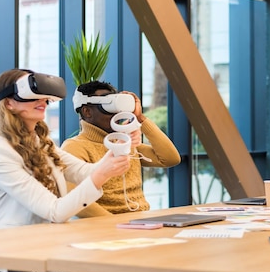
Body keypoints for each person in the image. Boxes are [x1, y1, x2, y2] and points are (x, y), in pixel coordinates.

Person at [0, 69, 130, 272]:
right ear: (9, 104)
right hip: (15, 262)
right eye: (34, 96)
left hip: (48, 250)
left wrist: (120, 144)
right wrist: (101, 174)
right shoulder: (0, 153)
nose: (43, 101)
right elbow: (55, 211)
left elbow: (85, 171)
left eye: (45, 97)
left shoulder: (40, 142)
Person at [61, 80, 181, 216]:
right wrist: (115, 224)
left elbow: (170, 159)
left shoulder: (124, 143)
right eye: (108, 107)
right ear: (87, 111)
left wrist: (140, 118)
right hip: (107, 228)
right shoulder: (75, 147)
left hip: (141, 221)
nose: (115, 114)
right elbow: (74, 199)